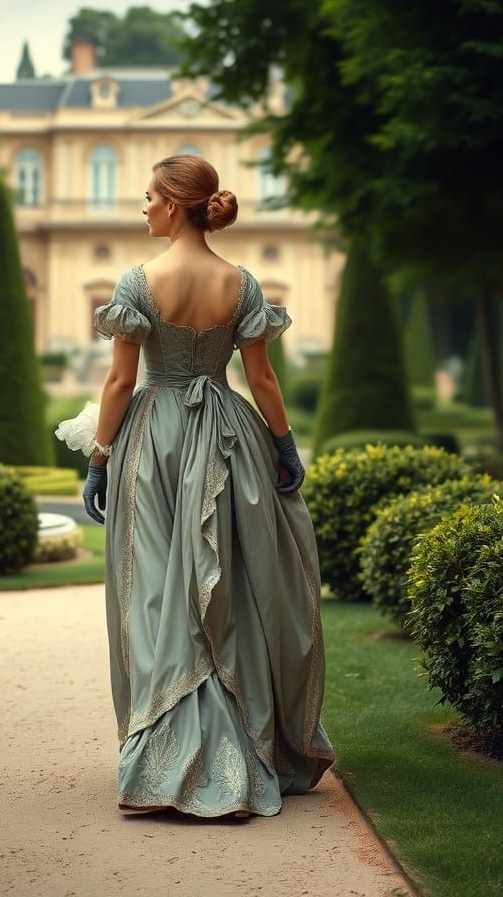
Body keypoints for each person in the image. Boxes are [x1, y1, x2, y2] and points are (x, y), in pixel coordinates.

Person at [57, 154, 335, 819]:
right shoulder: (240, 283)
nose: (143, 207)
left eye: (150, 196)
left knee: (157, 590)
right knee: (229, 585)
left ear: (175, 203)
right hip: (228, 437)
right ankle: (239, 743)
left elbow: (122, 383)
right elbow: (262, 380)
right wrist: (283, 443)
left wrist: (98, 457)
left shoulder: (137, 281)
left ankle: (166, 757)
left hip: (154, 442)